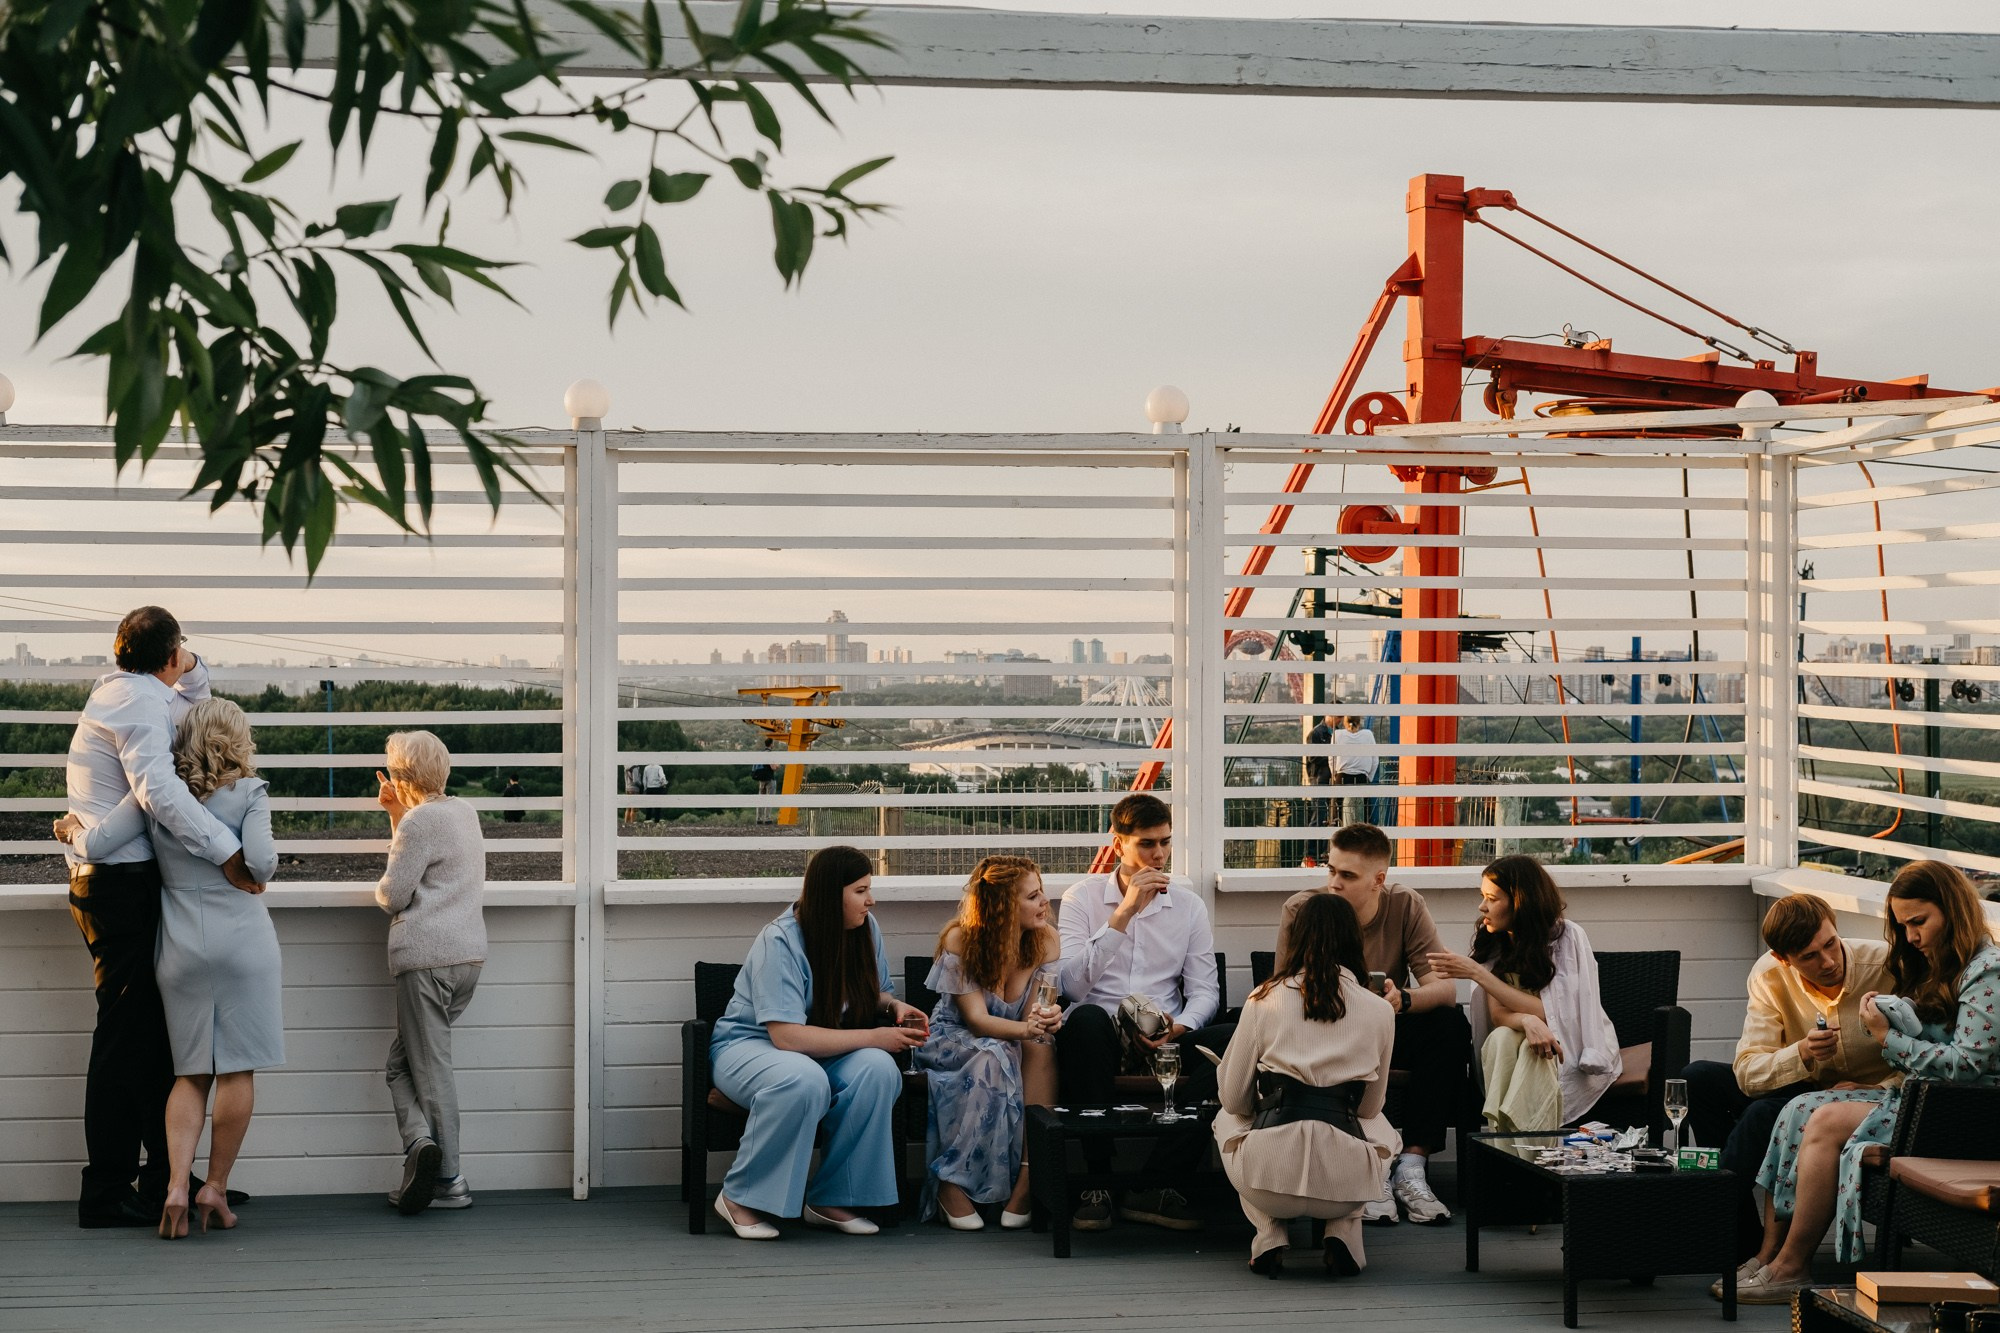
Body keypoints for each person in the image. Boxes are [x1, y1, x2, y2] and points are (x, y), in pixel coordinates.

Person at [55, 606, 261, 1230]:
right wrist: (228, 853)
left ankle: (163, 1178)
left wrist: (183, 658)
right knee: (124, 1040)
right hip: (118, 888)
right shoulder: (140, 702)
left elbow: (199, 691)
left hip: (118, 881)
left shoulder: (129, 690)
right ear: (167, 655)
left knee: (148, 1036)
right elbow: (159, 791)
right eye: (181, 652)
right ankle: (107, 1189)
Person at [1733, 861, 2000, 1305]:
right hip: (1925, 1097)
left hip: (1964, 1111)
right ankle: (1768, 1254)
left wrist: (1887, 1038)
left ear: (1953, 910)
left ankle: (1792, 1266)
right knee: (1799, 1108)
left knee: (1827, 1120)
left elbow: (1968, 1064)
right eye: (1904, 925)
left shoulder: (1987, 970)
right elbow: (1746, 1072)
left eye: (1919, 922)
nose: (1911, 937)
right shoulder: (1941, 963)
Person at [708, 844, 929, 1240]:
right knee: (803, 1078)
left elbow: (872, 994)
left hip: (822, 1047)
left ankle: (832, 1198)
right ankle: (738, 1196)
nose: (871, 900)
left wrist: (893, 1005)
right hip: (751, 1046)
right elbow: (786, 1036)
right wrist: (875, 1036)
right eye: (860, 891)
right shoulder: (780, 940)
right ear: (831, 894)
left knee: (878, 1070)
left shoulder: (865, 929)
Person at [1682, 893, 1894, 1255]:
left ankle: (1710, 1220)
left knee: (1762, 1114)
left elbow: (1926, 1057)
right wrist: (1802, 1053)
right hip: (1804, 1084)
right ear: (1784, 958)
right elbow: (1748, 1072)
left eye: (1830, 944)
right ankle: (1740, 1231)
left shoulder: (1886, 965)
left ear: (1836, 928)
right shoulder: (1770, 974)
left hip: (1868, 1097)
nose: (1828, 961)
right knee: (1697, 1078)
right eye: (1809, 957)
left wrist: (1875, 1086)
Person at [1275, 822, 1463, 1226]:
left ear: (1378, 880)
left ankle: (1411, 1166)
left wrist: (1402, 999)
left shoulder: (1404, 905)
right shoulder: (1304, 909)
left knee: (1450, 1024)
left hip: (1386, 1028)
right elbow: (1280, 995)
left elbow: (1444, 988)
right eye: (1331, 870)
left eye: (1347, 875)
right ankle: (1371, 1166)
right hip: (1324, 1029)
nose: (1334, 883)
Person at [1057, 792, 1229, 1233]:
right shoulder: (1082, 898)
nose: (1159, 854)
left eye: (1165, 842)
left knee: (1234, 1038)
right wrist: (1125, 911)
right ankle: (1097, 1182)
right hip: (1099, 1039)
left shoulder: (1188, 906)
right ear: (1118, 844)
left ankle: (1155, 1182)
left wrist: (1180, 1027)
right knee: (1086, 1020)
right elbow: (1071, 987)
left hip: (1165, 1038)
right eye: (1147, 844)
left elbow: (1205, 990)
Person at [1216, 893, 1398, 1279]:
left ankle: (1269, 1234)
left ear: (1296, 939)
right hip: (1344, 1190)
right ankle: (1343, 1232)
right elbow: (1369, 1108)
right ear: (1355, 941)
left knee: (1226, 1118)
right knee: (1383, 1129)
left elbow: (1233, 1099)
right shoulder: (1381, 1010)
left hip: (1267, 1185)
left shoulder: (1263, 999)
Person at [914, 855, 1064, 1230]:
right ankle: (950, 1183)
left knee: (1040, 1044)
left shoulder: (1045, 939)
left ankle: (1029, 1176)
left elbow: (1034, 1014)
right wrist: (1029, 1029)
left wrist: (1045, 1019)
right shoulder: (961, 939)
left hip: (1006, 1040)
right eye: (1032, 896)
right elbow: (977, 1021)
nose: (1044, 901)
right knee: (994, 1056)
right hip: (953, 1040)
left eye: (1041, 891)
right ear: (1003, 906)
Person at [374, 730, 488, 1216]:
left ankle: (449, 1179)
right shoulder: (464, 812)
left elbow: (392, 895)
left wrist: (402, 819)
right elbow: (429, 858)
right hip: (466, 959)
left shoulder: (420, 822)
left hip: (426, 961)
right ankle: (422, 1145)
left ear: (401, 777)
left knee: (431, 1070)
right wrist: (397, 814)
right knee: (403, 1065)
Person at [1428, 854, 1620, 1134]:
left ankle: (1507, 1142)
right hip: (1520, 1038)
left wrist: (1478, 974)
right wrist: (1527, 1021)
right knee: (1501, 1038)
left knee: (1534, 1051)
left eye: (1492, 898)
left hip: (1566, 1045)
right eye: (1483, 897)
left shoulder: (1566, 938)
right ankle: (1525, 1144)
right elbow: (1497, 1015)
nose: (1482, 906)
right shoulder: (1493, 942)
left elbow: (1556, 1013)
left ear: (1521, 901)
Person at [1332, 716, 1377, 828]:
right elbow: (1375, 760)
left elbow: (1331, 759)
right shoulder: (1368, 735)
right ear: (1359, 722)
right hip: (1362, 778)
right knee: (1363, 813)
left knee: (1339, 813)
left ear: (1344, 722)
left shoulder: (1337, 734)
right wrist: (1369, 777)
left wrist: (1334, 774)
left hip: (1342, 777)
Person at [1302, 716, 1334, 858]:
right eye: (1338, 717)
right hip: (1318, 779)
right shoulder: (1316, 733)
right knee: (1318, 816)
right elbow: (1313, 757)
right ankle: (1310, 855)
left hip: (1331, 780)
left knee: (1330, 817)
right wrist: (1332, 757)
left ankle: (1323, 853)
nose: (1340, 720)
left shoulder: (1337, 733)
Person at [750, 739, 779, 825]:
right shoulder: (770, 754)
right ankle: (767, 818)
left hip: (761, 780)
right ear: (771, 744)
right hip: (769, 779)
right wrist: (778, 766)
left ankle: (758, 818)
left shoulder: (761, 753)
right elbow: (773, 767)